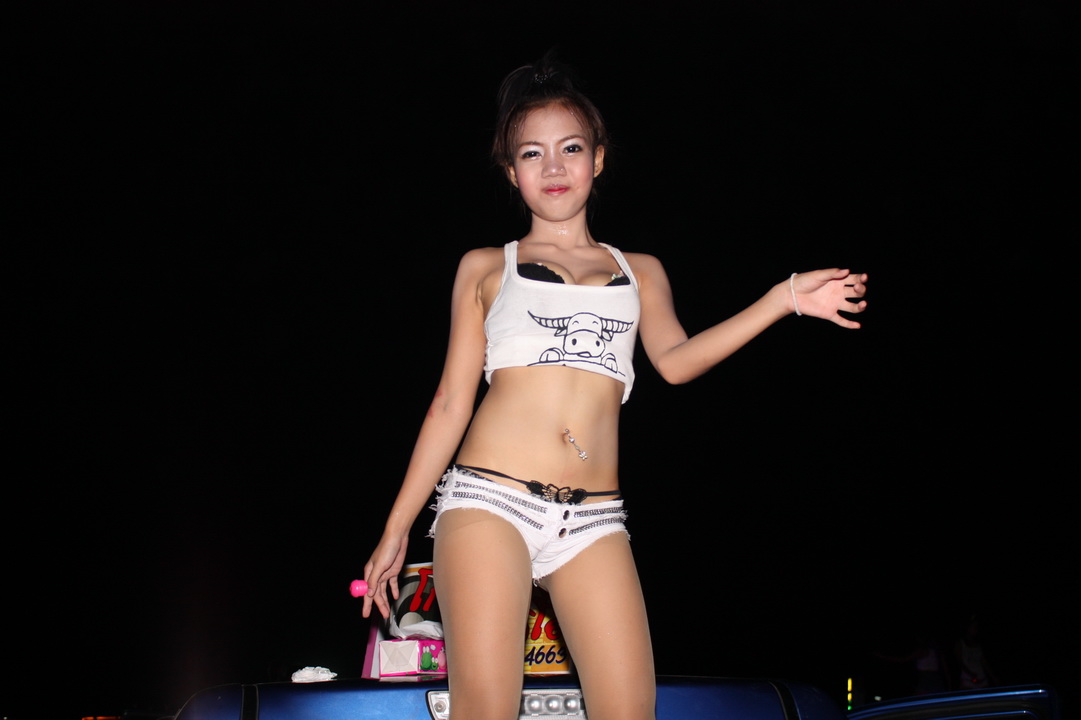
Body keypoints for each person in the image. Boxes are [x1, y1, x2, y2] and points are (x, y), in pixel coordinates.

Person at [361, 55, 868, 720]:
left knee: (630, 710)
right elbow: (450, 403)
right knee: (486, 707)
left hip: (594, 520)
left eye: (570, 149)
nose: (553, 167)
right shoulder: (486, 267)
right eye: (531, 153)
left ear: (597, 159)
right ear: (511, 171)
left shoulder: (640, 271)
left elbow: (676, 362)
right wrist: (397, 527)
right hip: (489, 500)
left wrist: (783, 299)